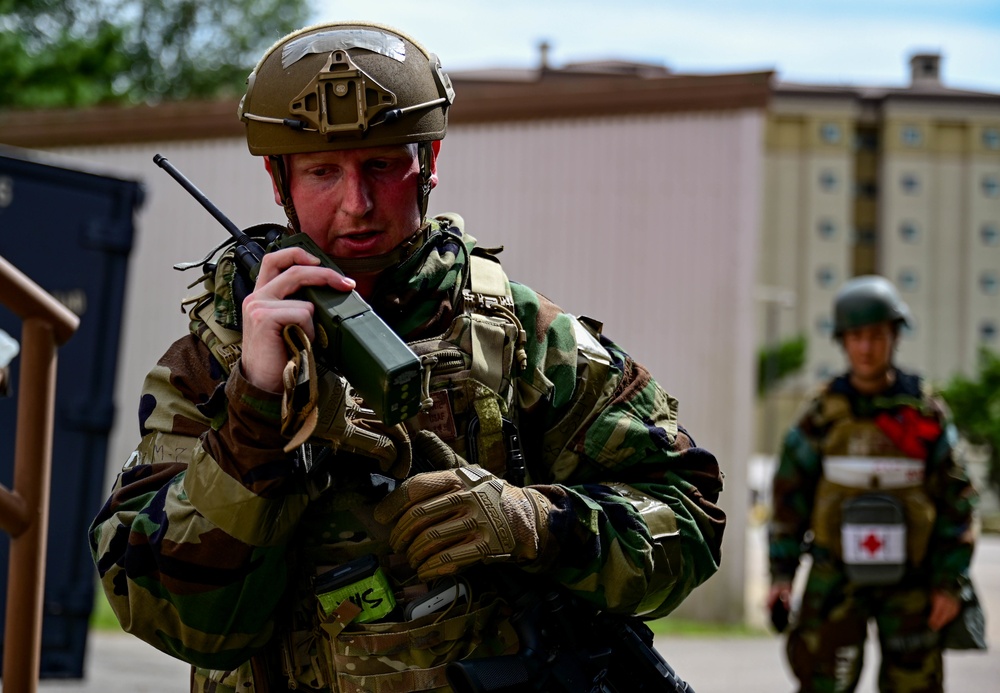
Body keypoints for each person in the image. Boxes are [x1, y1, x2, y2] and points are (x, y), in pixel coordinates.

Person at [90, 21, 726, 693]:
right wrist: (254, 414)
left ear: (429, 161)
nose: (356, 205)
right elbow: (179, 620)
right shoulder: (211, 363)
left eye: (382, 166)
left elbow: (688, 516)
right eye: (323, 172)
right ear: (279, 181)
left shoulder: (527, 340)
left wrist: (534, 523)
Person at [767, 275, 978, 693]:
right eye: (857, 336)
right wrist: (781, 575)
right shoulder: (822, 414)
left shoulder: (924, 414)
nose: (866, 348)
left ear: (894, 336)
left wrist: (949, 583)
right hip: (835, 577)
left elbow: (957, 497)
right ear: (843, 341)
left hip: (912, 583)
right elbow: (789, 496)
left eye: (877, 335)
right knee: (822, 682)